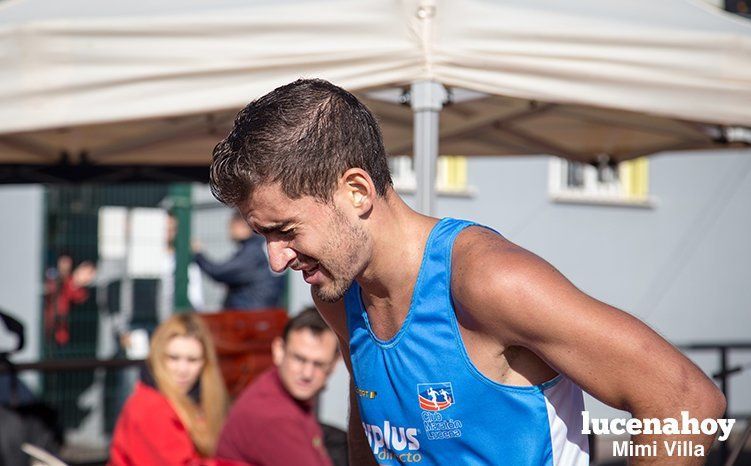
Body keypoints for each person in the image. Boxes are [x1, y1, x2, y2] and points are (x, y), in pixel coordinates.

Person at [208, 79, 726, 465]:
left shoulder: (486, 281)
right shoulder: (337, 293)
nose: (276, 259)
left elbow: (687, 401)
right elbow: (372, 424)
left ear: (357, 191)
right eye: (263, 236)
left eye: (286, 231)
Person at [109, 313, 245, 466]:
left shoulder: (203, 400)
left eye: (192, 360)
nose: (183, 369)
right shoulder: (148, 406)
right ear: (158, 358)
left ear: (205, 363)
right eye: (173, 358)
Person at [217, 307, 340, 466]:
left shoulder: (278, 390)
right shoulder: (274, 418)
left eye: (318, 364)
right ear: (279, 351)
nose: (307, 373)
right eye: (299, 359)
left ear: (334, 364)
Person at [192, 211, 284, 310]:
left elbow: (219, 272)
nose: (229, 231)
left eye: (231, 226)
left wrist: (198, 254)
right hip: (258, 314)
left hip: (250, 316)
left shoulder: (252, 252)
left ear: (241, 225)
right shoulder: (258, 247)